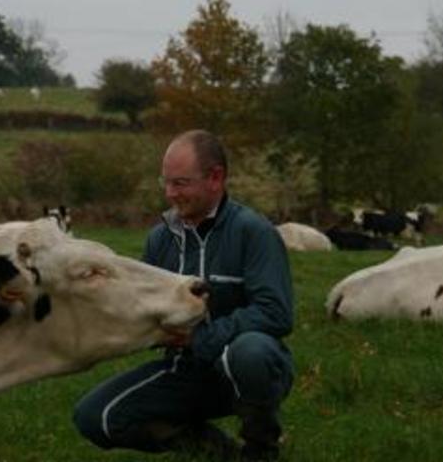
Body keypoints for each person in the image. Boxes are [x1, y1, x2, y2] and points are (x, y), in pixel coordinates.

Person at [72, 130, 295, 461]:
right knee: (94, 418)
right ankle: (218, 453)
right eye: (166, 183)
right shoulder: (159, 240)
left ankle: (261, 450)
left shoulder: (253, 231)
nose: (170, 193)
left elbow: (275, 312)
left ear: (215, 178)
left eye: (180, 183)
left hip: (250, 370)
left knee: (250, 351)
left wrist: (199, 337)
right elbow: (140, 308)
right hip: (184, 372)